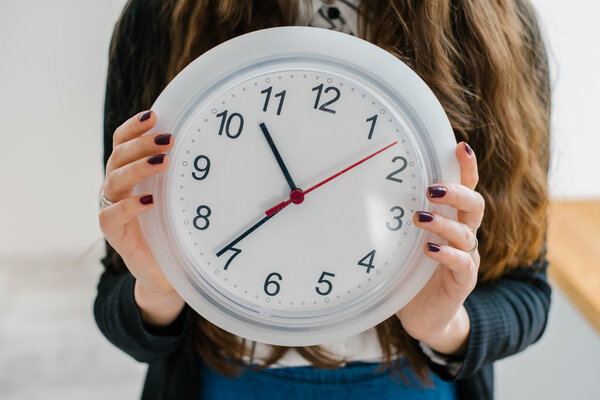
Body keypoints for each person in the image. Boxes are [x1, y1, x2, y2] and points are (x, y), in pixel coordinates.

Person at [95, 1, 552, 399]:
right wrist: (159, 290)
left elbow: (529, 290)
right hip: (225, 381)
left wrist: (444, 327)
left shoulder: (491, 22)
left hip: (415, 384)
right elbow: (113, 300)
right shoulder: (162, 15)